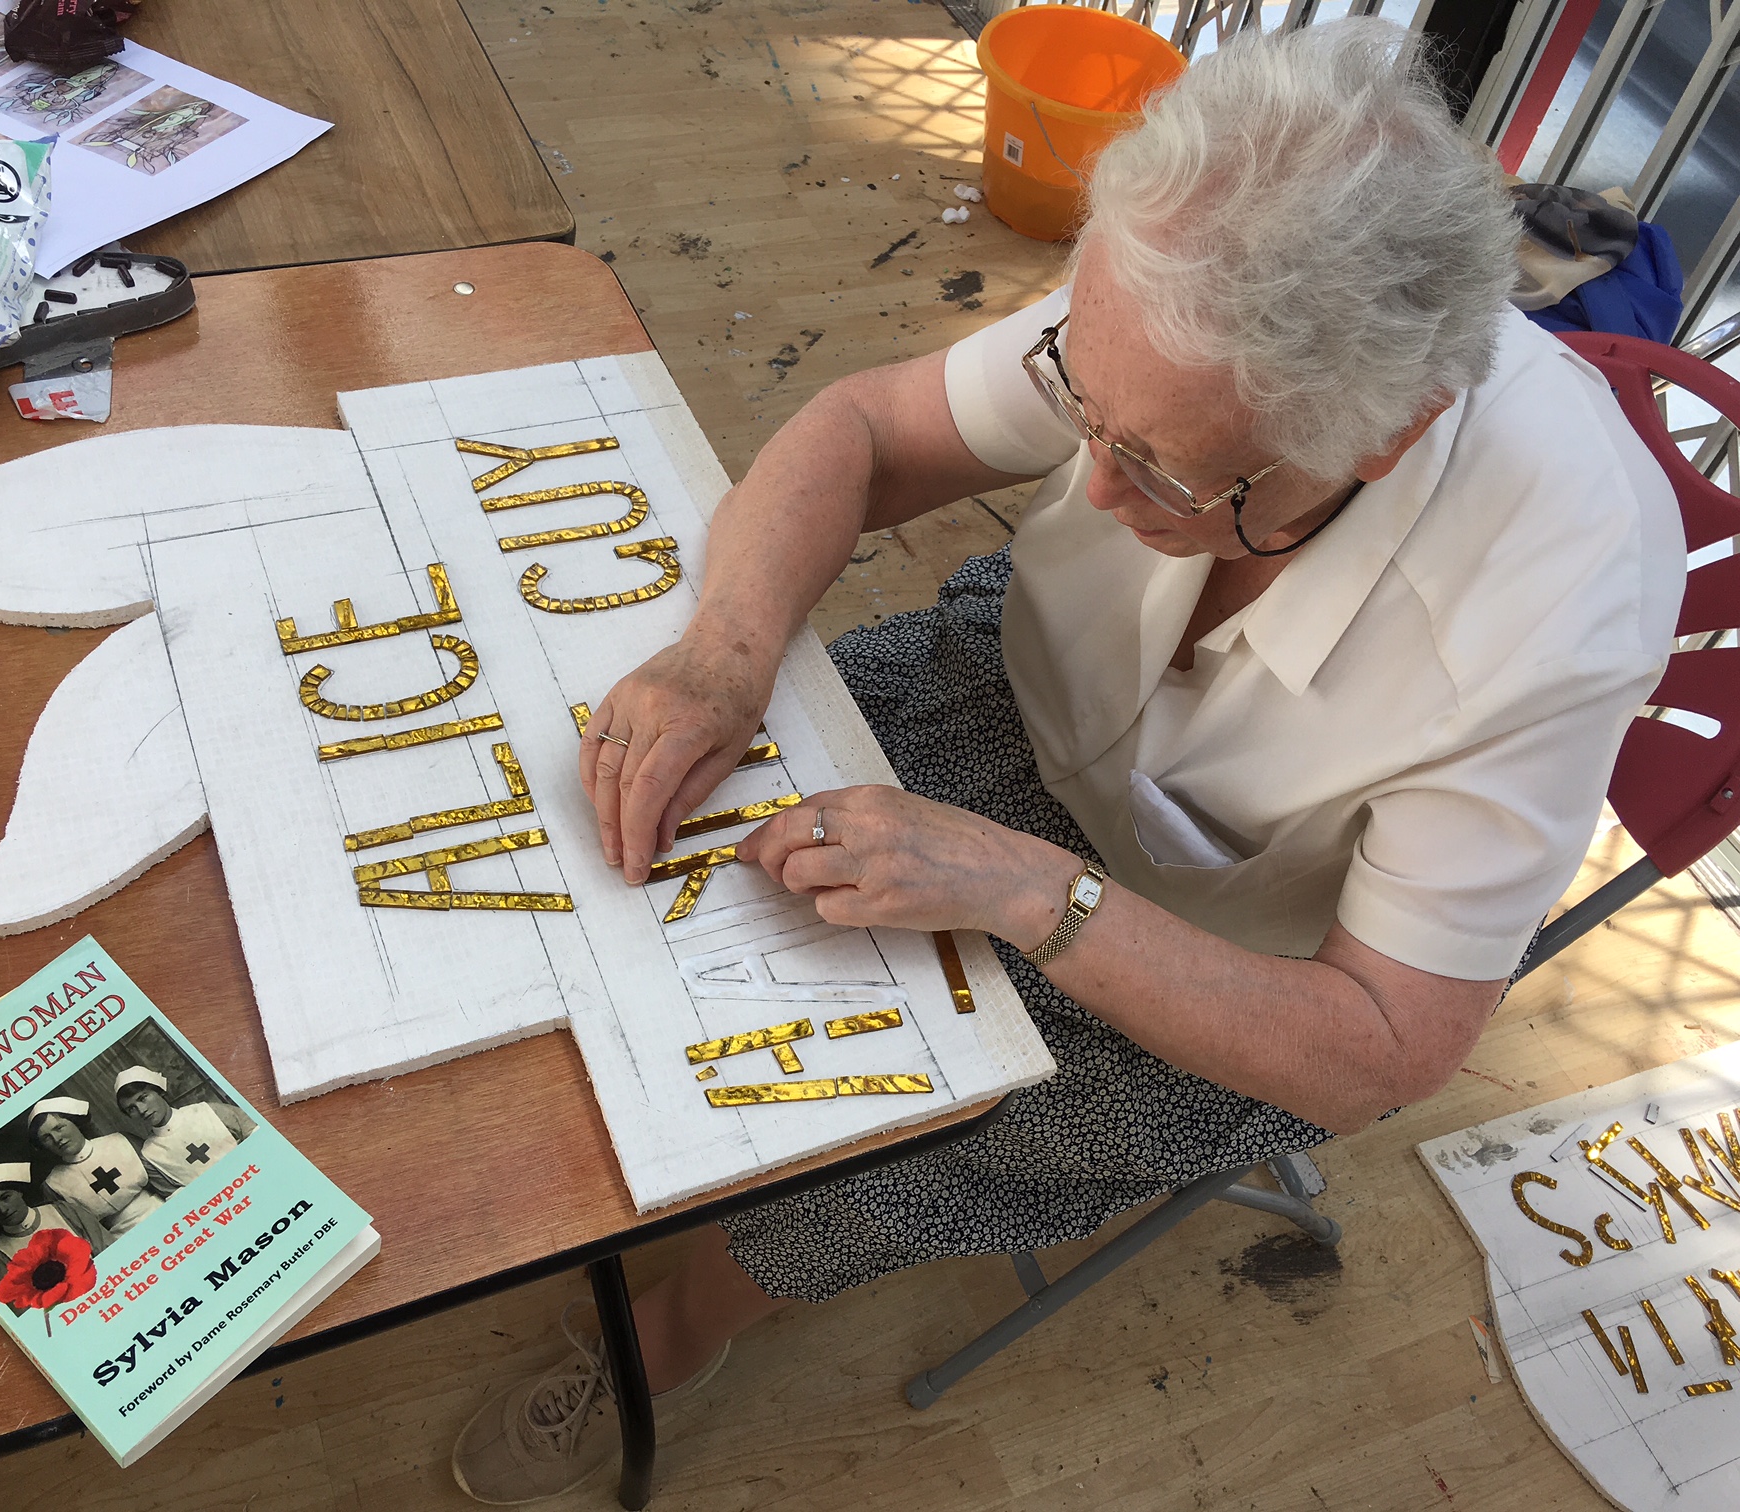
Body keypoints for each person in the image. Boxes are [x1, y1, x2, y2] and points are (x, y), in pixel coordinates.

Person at [452, 18, 1686, 1504]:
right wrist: (722, 648)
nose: (1087, 485)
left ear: (1378, 440)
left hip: (1215, 969)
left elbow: (1380, 1050)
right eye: (1080, 408)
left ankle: (684, 1327)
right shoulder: (1185, 300)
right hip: (1013, 692)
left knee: (888, 1150)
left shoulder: (1554, 608)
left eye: (1159, 470)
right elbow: (863, 429)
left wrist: (1035, 894)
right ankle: (627, 1128)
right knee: (664, 829)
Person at [27, 1095, 171, 1238]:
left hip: (163, 1212)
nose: (57, 1139)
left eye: (59, 1128)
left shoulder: (120, 1141)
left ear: (75, 1122)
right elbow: (82, 1231)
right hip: (119, 1239)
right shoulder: (53, 1185)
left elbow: (167, 1183)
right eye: (46, 1138)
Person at [0, 1161, 112, 1290]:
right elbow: (23, 1308)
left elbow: (110, 1250)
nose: (3, 1209)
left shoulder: (64, 1211)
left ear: (19, 1192)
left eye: (6, 1197)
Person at [113, 1064, 255, 1186]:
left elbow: (257, 1135)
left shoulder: (208, 1111)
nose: (141, 1110)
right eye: (131, 1109)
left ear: (159, 1091)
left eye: (143, 1098)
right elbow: (180, 1200)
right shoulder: (150, 1157)